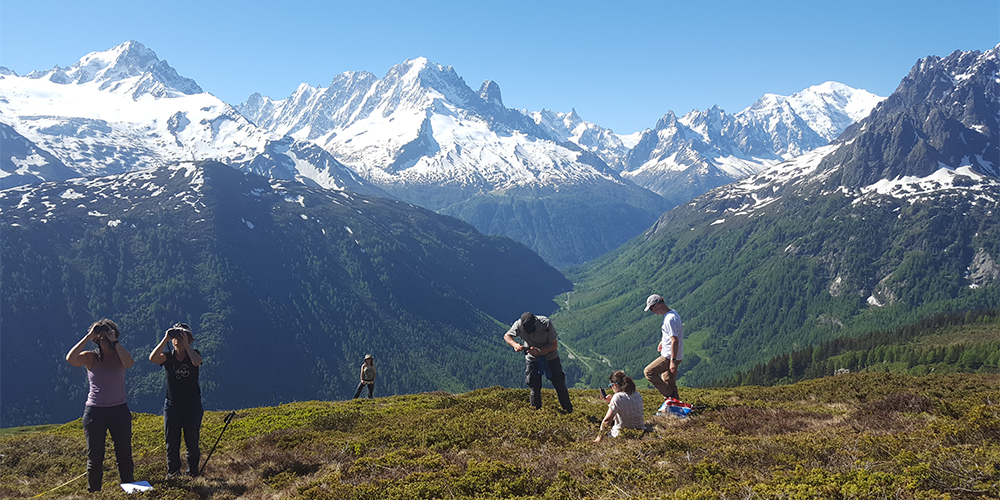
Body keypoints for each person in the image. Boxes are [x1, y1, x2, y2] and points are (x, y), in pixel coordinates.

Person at [65, 319, 136, 492]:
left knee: (124, 454)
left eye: (108, 332)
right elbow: (71, 358)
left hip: (119, 409)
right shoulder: (91, 357)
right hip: (95, 411)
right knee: (95, 457)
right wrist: (89, 335)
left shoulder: (120, 355)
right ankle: (94, 492)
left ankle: (130, 489)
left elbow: (129, 363)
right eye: (101, 334)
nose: (103, 336)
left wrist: (114, 341)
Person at [149, 323, 203, 478]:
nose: (178, 339)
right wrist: (166, 337)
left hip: (191, 405)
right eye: (176, 337)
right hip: (172, 405)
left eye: (182, 335)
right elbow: (152, 358)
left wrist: (186, 344)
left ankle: (192, 471)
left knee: (192, 440)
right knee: (171, 441)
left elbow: (196, 361)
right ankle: (173, 472)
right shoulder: (168, 357)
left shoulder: (194, 354)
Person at [503, 311, 573, 413]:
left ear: (535, 323)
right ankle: (536, 413)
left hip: (550, 356)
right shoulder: (518, 324)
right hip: (532, 357)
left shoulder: (546, 323)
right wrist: (515, 345)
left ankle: (568, 411)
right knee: (534, 385)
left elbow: (554, 345)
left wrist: (540, 351)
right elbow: (507, 336)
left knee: (559, 383)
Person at [642, 294, 684, 406]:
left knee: (649, 372)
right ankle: (675, 406)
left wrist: (672, 362)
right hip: (674, 355)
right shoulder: (673, 314)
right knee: (668, 381)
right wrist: (662, 342)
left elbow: (674, 340)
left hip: (669, 356)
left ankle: (671, 397)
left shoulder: (669, 319)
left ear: (657, 305)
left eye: (651, 308)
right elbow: (672, 334)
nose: (652, 311)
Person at [594, 370, 645, 442]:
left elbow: (607, 421)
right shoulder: (637, 394)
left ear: (614, 385)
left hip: (622, 434)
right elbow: (627, 406)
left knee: (608, 427)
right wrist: (611, 401)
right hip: (640, 432)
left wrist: (598, 438)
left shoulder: (618, 397)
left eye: (611, 386)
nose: (611, 388)